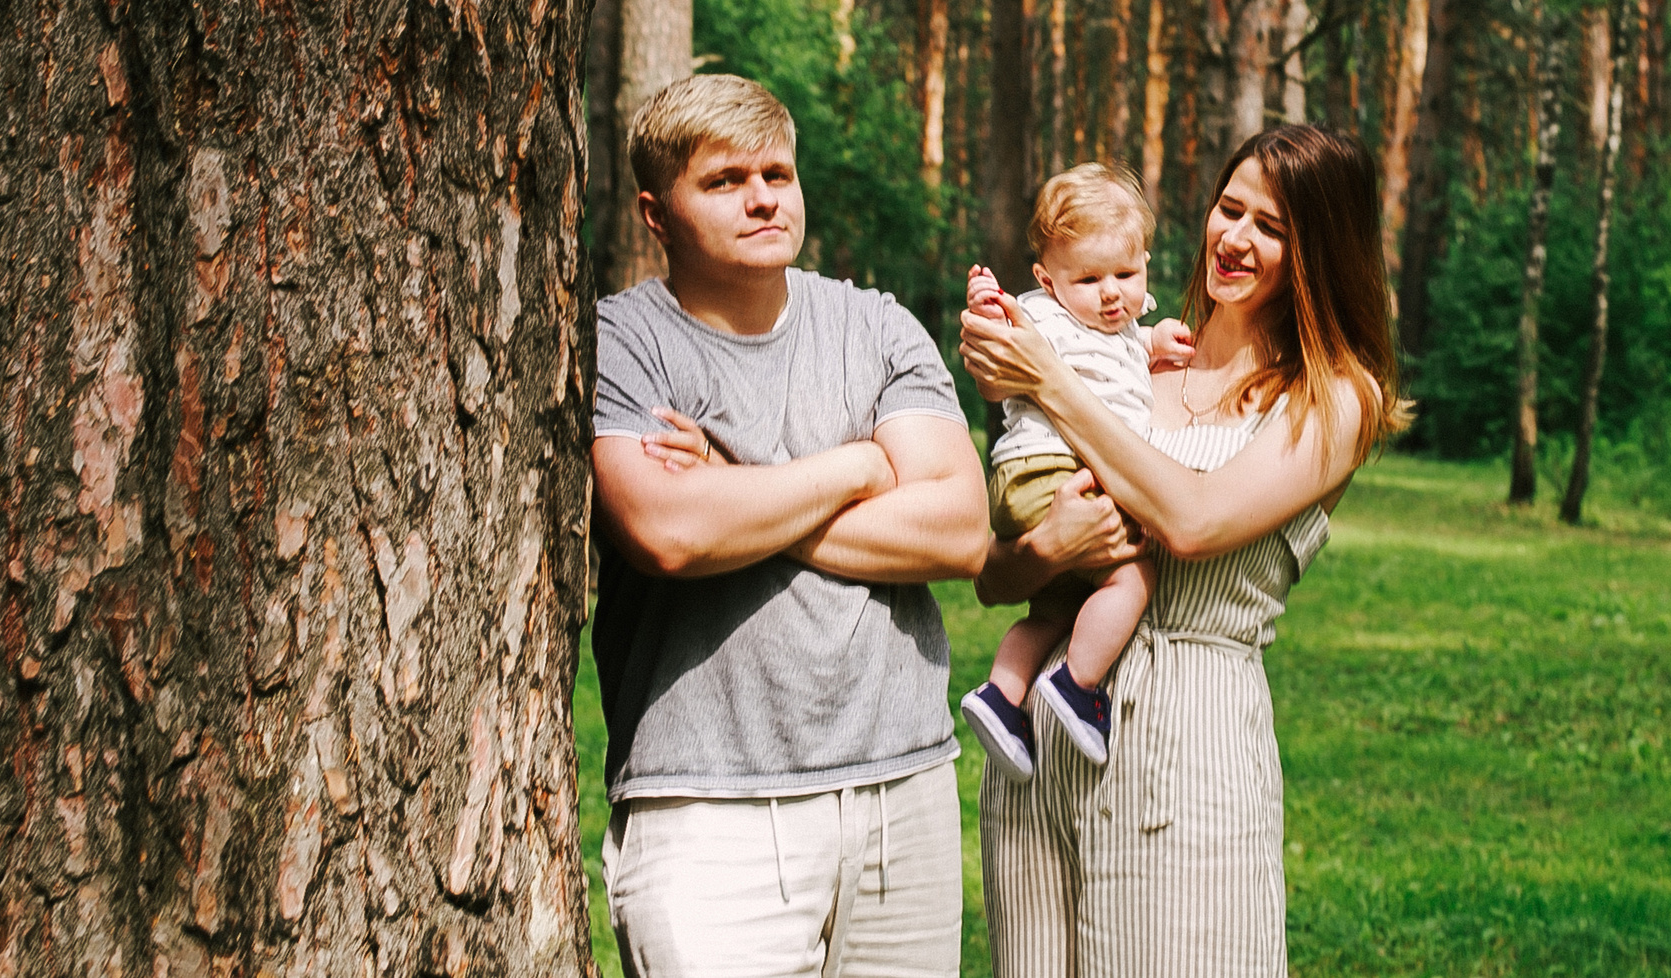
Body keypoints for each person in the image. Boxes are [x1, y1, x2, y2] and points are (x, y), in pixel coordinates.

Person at [959, 124, 1408, 978]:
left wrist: (1046, 373)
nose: (1234, 238)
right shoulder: (1131, 360)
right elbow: (994, 576)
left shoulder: (1335, 397)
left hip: (1185, 752)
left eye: (1270, 226)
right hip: (1040, 752)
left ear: (1319, 250)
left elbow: (1192, 520)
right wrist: (1046, 548)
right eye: (1227, 209)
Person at [589, 74, 988, 978]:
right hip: (704, 807)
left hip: (902, 791)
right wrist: (856, 467)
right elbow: (667, 533)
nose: (763, 197)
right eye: (725, 180)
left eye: (778, 172)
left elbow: (961, 530)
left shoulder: (876, 327)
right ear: (657, 213)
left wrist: (738, 487)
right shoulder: (623, 342)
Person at [957, 164, 1192, 779]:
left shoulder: (1115, 328)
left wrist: (1154, 340)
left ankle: (1003, 697)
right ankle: (1078, 685)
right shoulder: (1046, 315)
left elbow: (1120, 348)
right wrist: (989, 304)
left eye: (1126, 274)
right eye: (1088, 279)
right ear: (1046, 280)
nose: (1111, 293)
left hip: (1024, 483)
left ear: (1145, 261)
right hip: (1051, 473)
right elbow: (1013, 332)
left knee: (1052, 612)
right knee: (1132, 578)